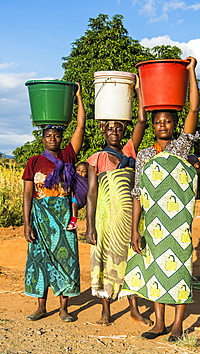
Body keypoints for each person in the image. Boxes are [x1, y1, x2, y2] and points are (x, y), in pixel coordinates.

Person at [119, 56, 200, 341]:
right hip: (152, 225)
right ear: (153, 126)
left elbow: (192, 109)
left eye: (168, 121)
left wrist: (190, 72)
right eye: (158, 121)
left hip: (177, 225)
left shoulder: (180, 148)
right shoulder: (144, 155)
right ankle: (159, 323)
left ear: (175, 125)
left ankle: (178, 325)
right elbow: (138, 193)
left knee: (178, 270)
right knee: (154, 271)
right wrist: (134, 231)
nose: (163, 124)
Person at [86, 76, 152, 326]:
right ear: (103, 130)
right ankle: (106, 310)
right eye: (110, 128)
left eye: (119, 128)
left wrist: (137, 90)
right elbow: (92, 194)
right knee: (105, 260)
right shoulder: (97, 158)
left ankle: (134, 310)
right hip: (105, 220)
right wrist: (90, 225)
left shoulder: (129, 152)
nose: (115, 132)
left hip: (129, 220)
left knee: (131, 260)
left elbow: (143, 120)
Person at [23, 83, 85, 322]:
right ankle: (41, 307)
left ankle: (64, 309)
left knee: (66, 258)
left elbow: (80, 126)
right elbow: (27, 195)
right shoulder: (34, 161)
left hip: (63, 216)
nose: (52, 139)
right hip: (39, 217)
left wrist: (78, 98)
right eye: (48, 135)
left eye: (56, 135)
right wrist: (27, 223)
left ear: (61, 138)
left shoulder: (68, 155)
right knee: (39, 258)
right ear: (43, 139)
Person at [65, 161, 89, 230]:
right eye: (78, 170)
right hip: (71, 196)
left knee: (73, 204)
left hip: (79, 200)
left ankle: (73, 222)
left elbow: (86, 191)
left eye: (84, 171)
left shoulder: (88, 181)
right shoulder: (74, 177)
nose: (80, 173)